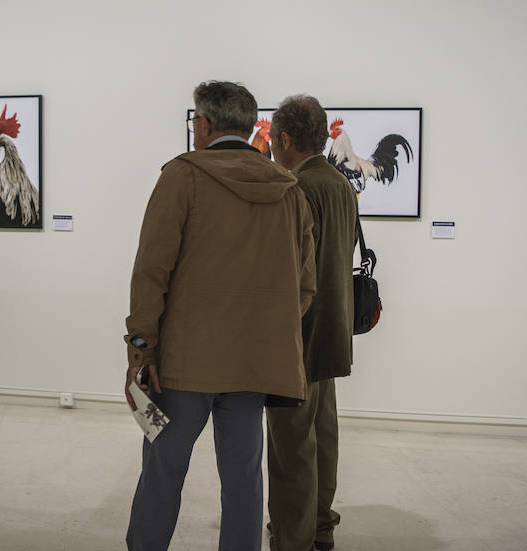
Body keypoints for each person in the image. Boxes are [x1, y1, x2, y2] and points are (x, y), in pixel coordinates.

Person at [123, 81, 317, 551]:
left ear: (205, 125)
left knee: (162, 473)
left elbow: (151, 272)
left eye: (195, 120)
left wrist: (141, 348)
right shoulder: (289, 191)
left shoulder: (181, 177)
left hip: (184, 369)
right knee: (244, 482)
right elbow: (304, 288)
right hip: (253, 369)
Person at [265, 95, 359, 551]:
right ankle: (321, 530)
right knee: (323, 441)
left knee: (291, 452)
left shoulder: (296, 188)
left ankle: (292, 539)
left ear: (284, 139)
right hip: (333, 333)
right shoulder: (340, 184)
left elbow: (286, 272)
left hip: (298, 338)